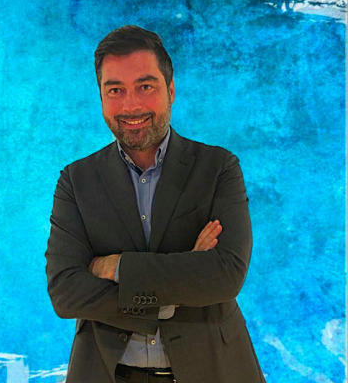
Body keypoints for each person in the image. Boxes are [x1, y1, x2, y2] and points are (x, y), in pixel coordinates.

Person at [45, 25, 266, 383]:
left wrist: (116, 268)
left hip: (214, 370)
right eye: (115, 90)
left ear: (171, 90)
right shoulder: (76, 180)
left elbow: (225, 275)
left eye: (145, 86)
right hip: (105, 373)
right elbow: (65, 292)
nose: (131, 105)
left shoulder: (218, 167)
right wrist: (176, 286)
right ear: (101, 96)